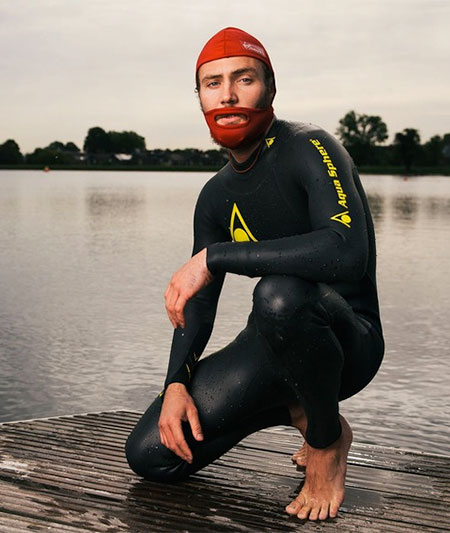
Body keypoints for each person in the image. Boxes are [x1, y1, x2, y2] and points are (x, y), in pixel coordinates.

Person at [126, 27, 384, 522]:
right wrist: (175, 383)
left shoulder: (311, 147)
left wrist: (215, 256)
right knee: (151, 455)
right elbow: (199, 304)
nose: (226, 94)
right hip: (271, 341)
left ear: (269, 86)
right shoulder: (215, 196)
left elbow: (345, 252)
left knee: (279, 294)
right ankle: (305, 414)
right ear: (199, 97)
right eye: (211, 83)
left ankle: (327, 445)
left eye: (243, 78)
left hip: (347, 341)